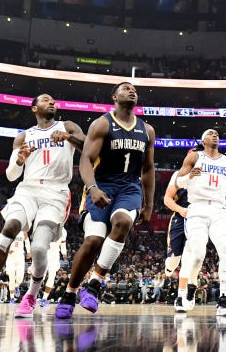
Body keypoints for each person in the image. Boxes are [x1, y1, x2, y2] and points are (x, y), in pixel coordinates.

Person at [0, 94, 84, 318]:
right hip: (28, 190)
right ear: (34, 108)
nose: (52, 103)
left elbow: (89, 146)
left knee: (40, 248)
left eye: (54, 101)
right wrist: (20, 160)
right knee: (10, 227)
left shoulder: (67, 126)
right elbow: (11, 175)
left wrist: (69, 138)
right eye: (45, 100)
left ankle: (31, 296)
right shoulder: (24, 136)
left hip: (55, 193)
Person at [54, 82, 155, 319]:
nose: (132, 91)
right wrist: (92, 188)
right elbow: (86, 160)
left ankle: (95, 283)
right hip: (101, 186)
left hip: (129, 188)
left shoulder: (147, 130)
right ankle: (69, 293)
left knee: (122, 222)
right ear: (114, 97)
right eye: (125, 88)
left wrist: (149, 204)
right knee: (93, 241)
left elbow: (148, 168)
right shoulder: (102, 123)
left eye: (134, 89)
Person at [167, 129, 226, 317]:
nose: (215, 135)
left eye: (217, 134)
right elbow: (177, 183)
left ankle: (223, 300)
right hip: (197, 209)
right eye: (210, 133)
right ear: (203, 140)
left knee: (225, 251)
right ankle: (191, 286)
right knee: (198, 254)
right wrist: (189, 177)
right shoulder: (194, 157)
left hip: (219, 210)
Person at [161, 169, 190, 303]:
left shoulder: (206, 174)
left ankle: (182, 295)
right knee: (174, 259)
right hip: (179, 216)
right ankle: (168, 269)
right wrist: (180, 210)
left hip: (196, 218)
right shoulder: (178, 175)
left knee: (189, 257)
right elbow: (167, 199)